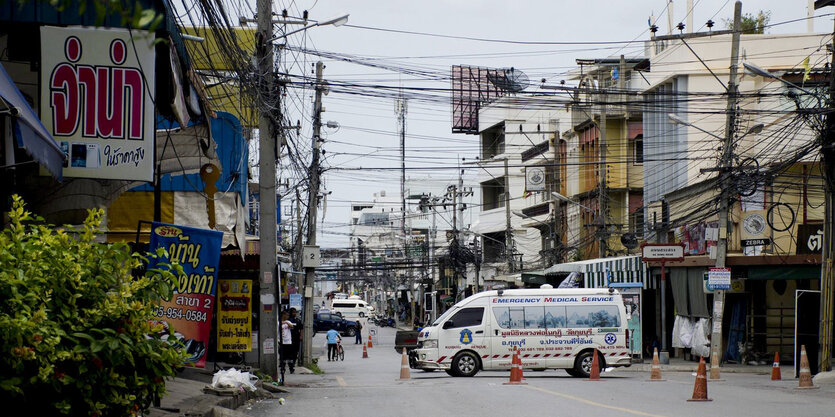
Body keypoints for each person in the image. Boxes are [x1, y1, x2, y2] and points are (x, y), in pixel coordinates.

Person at [278, 311, 294, 382]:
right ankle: (282, 368)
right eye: (286, 315)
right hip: (281, 341)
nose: (288, 316)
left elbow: (292, 327)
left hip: (288, 341)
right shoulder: (278, 323)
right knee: (282, 356)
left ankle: (291, 368)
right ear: (283, 315)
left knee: (290, 356)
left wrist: (286, 323)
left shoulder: (288, 322)